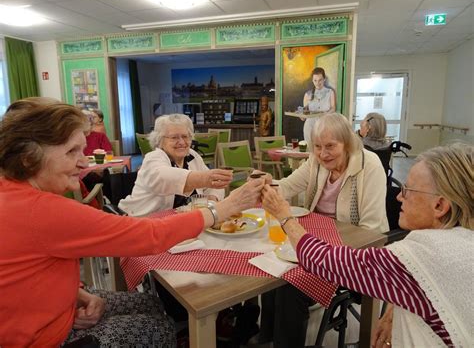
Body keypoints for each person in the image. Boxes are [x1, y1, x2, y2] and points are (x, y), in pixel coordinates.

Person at [0, 102, 265, 347]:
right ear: (28, 158)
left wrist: (77, 294)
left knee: (150, 302)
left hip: (54, 309)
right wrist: (225, 208)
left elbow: (30, 272)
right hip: (41, 338)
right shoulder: (43, 210)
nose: (84, 162)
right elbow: (150, 235)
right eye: (72, 151)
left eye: (83, 149)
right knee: (159, 326)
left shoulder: (12, 194)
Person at [262, 143, 473, 347]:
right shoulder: (462, 241)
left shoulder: (421, 253)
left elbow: (322, 259)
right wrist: (393, 309)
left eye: (407, 189)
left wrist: (284, 215)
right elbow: (422, 284)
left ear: (440, 205)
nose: (399, 196)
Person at [257, 112, 388, 348]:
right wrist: (268, 183)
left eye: (330, 146)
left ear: (347, 143)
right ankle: (267, 337)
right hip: (312, 239)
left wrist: (332, 250)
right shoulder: (316, 161)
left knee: (292, 286)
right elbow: (287, 186)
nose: (322, 153)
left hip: (351, 251)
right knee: (273, 267)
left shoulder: (370, 166)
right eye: (317, 146)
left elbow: (372, 229)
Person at [119, 113, 231, 216]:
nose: (182, 142)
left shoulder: (193, 156)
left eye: (185, 136)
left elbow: (212, 187)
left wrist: (212, 198)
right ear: (160, 140)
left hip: (180, 222)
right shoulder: (153, 159)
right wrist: (206, 178)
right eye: (174, 137)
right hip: (144, 221)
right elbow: (165, 178)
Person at [302, 67, 336, 147]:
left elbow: (333, 108)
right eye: (315, 80)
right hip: (310, 126)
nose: (318, 83)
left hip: (325, 125)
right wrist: (302, 116)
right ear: (312, 80)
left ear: (324, 79)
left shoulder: (330, 92)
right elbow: (304, 113)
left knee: (324, 148)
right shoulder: (308, 94)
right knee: (311, 150)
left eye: (320, 80)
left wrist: (325, 114)